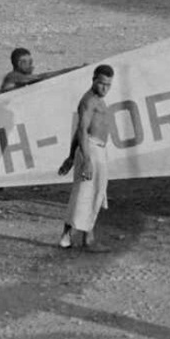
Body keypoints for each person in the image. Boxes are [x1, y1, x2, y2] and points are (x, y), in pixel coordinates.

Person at [0, 47, 72, 214]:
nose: (32, 65)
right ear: (18, 63)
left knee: (2, 164)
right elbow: (41, 78)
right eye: (28, 62)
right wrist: (71, 71)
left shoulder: (18, 78)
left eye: (32, 61)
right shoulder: (14, 77)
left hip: (5, 123)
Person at [58, 64, 114, 252]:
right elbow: (82, 130)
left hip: (97, 148)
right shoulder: (89, 101)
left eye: (108, 84)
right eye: (101, 83)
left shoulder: (99, 100)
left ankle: (83, 235)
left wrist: (70, 156)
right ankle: (73, 235)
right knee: (83, 192)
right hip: (91, 149)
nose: (105, 88)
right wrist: (86, 159)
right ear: (93, 80)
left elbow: (78, 131)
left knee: (94, 193)